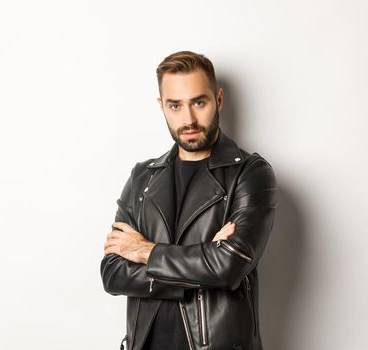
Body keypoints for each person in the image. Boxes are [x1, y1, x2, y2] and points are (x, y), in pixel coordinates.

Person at [100, 51, 277, 350]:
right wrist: (203, 261)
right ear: (162, 107)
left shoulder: (250, 174)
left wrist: (145, 251)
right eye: (175, 105)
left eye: (199, 102)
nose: (189, 118)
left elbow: (229, 266)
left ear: (218, 99)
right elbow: (113, 272)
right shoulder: (143, 177)